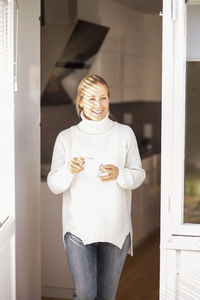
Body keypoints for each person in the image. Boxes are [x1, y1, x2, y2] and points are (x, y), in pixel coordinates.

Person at [47, 74, 146, 300]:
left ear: (109, 100)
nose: (98, 105)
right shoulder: (67, 138)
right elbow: (54, 184)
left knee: (106, 296)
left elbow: (139, 175)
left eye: (103, 98)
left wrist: (119, 173)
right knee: (85, 294)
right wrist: (68, 170)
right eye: (91, 99)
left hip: (116, 226)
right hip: (78, 229)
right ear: (80, 101)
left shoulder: (124, 133)